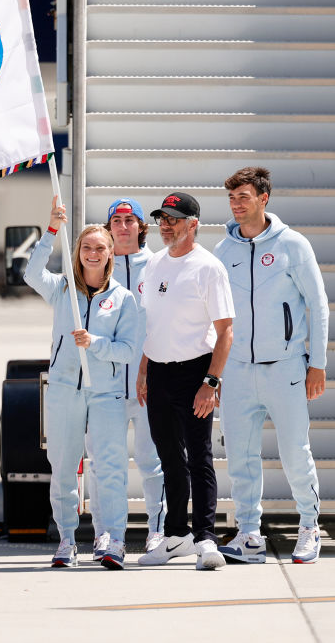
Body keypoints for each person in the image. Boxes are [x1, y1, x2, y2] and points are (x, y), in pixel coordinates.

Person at [213, 167, 329, 564]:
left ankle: (310, 527)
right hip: (238, 371)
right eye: (232, 198)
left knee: (295, 452)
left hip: (286, 368)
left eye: (244, 197)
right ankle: (248, 535)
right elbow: (216, 316)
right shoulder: (223, 251)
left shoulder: (292, 245)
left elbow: (318, 305)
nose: (237, 205)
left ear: (264, 199)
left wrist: (318, 363)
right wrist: (216, 373)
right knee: (241, 458)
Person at [23, 197, 140, 570]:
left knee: (109, 467)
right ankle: (67, 539)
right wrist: (52, 230)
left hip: (105, 393)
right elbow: (30, 273)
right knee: (63, 466)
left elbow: (127, 350)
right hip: (63, 390)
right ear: (78, 252)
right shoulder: (61, 290)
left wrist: (96, 344)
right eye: (87, 247)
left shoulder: (122, 299)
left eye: (100, 248)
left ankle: (111, 539)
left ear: (110, 253)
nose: (93, 253)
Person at [136, 192, 234, 571]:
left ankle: (206, 538)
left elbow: (225, 332)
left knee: (199, 457)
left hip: (196, 371)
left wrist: (211, 382)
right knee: (169, 459)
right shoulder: (155, 264)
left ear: (193, 224)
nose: (165, 224)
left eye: (174, 219)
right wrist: (145, 370)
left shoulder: (208, 268)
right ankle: (176, 537)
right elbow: (153, 323)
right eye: (162, 218)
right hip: (159, 371)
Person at [85, 198, 166, 560]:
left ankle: (157, 532)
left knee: (153, 462)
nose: (122, 226)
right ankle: (104, 534)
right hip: (107, 387)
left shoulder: (158, 265)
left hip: (152, 385)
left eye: (129, 220)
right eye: (115, 221)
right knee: (105, 465)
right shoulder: (99, 267)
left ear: (140, 226)